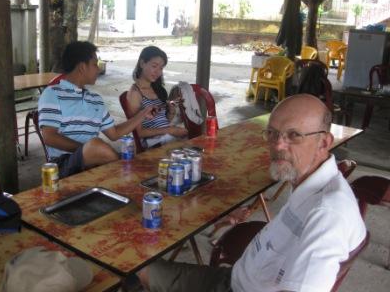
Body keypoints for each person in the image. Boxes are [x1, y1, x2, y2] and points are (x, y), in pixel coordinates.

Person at [137, 94, 367, 292]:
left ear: (324, 142)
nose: (277, 146)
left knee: (130, 273)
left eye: (294, 135)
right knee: (136, 270)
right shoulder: (311, 185)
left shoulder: (327, 214)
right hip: (233, 279)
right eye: (273, 133)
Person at [38, 41, 155, 178]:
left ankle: (125, 172)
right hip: (63, 165)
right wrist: (87, 150)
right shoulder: (53, 93)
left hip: (94, 162)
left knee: (104, 149)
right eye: (95, 64)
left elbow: (114, 134)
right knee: (97, 146)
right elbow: (50, 137)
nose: (98, 70)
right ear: (82, 67)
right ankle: (127, 173)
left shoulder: (96, 99)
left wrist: (142, 114)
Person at [126, 46, 187, 148]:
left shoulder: (157, 89)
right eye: (154, 66)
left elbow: (164, 120)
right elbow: (138, 132)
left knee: (197, 136)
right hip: (151, 142)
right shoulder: (135, 94)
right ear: (142, 63)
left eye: (161, 68)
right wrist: (170, 130)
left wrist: (171, 109)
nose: (158, 72)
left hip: (165, 136)